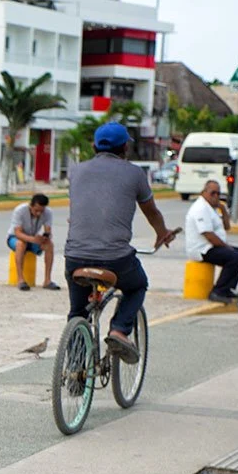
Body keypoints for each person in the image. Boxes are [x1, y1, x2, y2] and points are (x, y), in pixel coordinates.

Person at [62, 122, 177, 365]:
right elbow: (152, 212)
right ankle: (119, 330)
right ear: (125, 146)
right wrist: (162, 233)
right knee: (137, 285)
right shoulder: (135, 173)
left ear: (93, 145)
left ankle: (74, 369)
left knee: (78, 310)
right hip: (115, 259)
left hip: (75, 256)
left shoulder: (76, 171)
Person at [185, 180, 238, 305]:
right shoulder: (200, 208)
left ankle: (228, 288)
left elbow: (227, 227)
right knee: (235, 258)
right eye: (213, 193)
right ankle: (218, 291)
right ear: (204, 192)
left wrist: (223, 210)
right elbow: (208, 235)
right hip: (202, 250)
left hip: (211, 246)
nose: (216, 196)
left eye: (218, 194)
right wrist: (226, 247)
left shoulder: (210, 208)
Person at [7, 192, 59, 290]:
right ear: (31, 205)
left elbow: (48, 230)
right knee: (21, 244)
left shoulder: (48, 212)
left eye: (41, 211)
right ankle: (21, 280)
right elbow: (17, 233)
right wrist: (33, 239)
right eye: (36, 211)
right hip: (15, 238)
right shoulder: (20, 210)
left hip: (33, 239)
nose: (38, 213)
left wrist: (45, 237)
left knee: (49, 245)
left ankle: (47, 280)